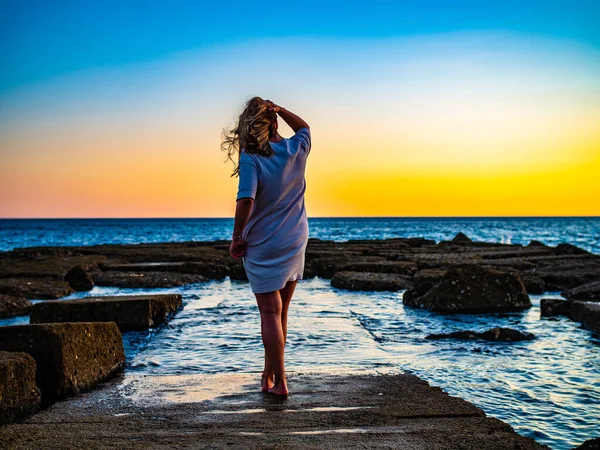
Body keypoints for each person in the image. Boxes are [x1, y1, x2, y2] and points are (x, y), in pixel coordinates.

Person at [221, 97, 311, 396]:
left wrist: (237, 236)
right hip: (295, 238)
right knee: (281, 312)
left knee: (270, 314)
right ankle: (269, 376)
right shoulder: (296, 148)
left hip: (263, 241)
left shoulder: (251, 156)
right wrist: (282, 110)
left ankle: (281, 382)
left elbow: (246, 198)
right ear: (273, 122)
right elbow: (304, 126)